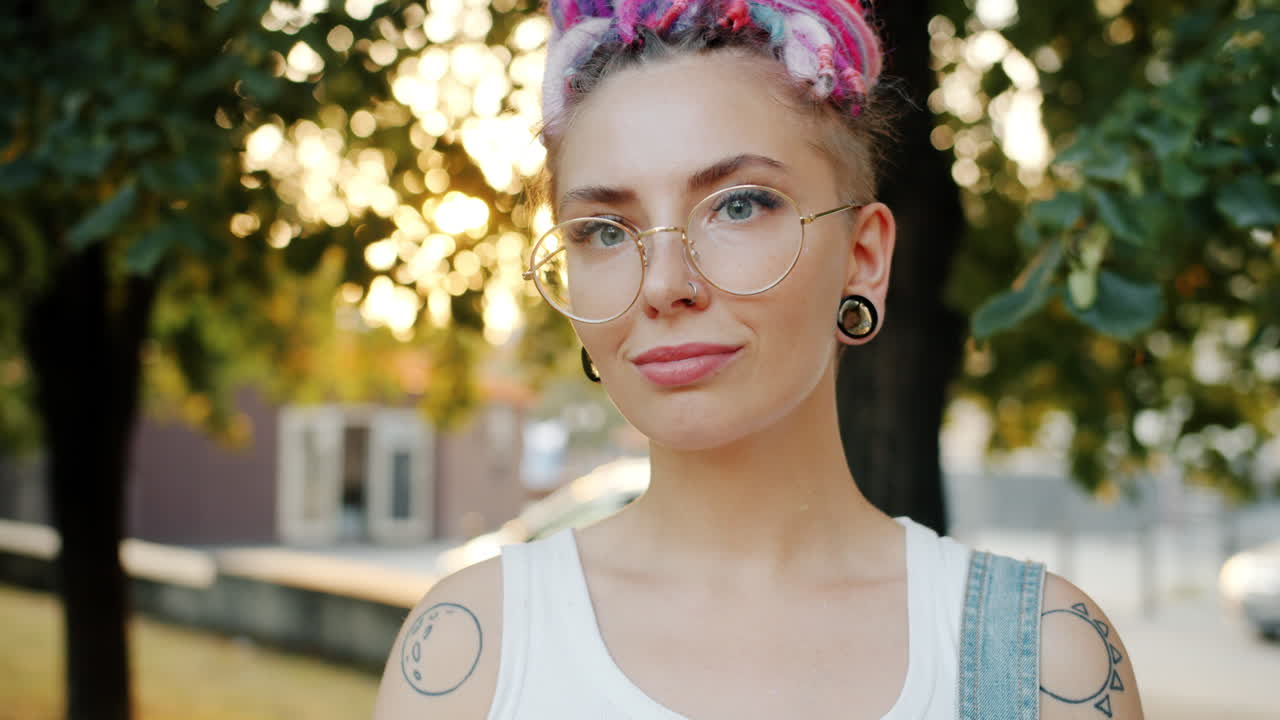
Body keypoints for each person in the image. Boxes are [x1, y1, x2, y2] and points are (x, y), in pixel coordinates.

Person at [374, 0, 1145, 716]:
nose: (665, 285)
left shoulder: (1046, 663)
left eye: (739, 204)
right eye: (605, 231)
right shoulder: (468, 655)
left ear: (864, 257)